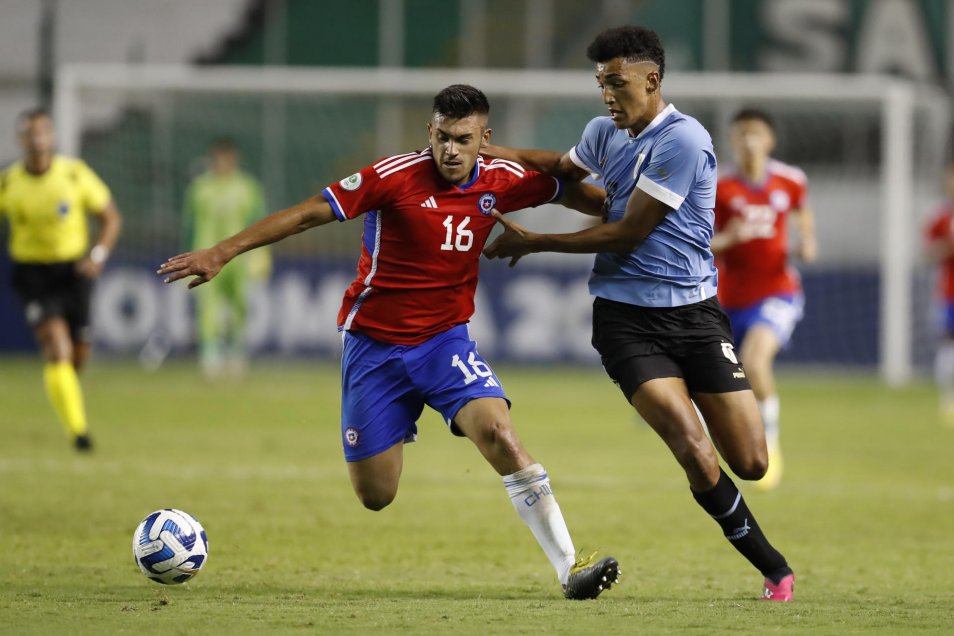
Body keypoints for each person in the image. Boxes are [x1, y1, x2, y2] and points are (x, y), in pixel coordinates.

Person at [159, 84, 620, 599]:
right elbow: (310, 211)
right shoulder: (392, 176)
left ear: (484, 139)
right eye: (442, 136)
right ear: (429, 131)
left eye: (463, 139)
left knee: (500, 434)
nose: (450, 150)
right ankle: (399, 417)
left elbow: (570, 191)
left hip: (445, 343)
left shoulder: (502, 179)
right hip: (373, 346)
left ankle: (569, 567)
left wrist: (625, 212)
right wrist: (224, 250)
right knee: (376, 495)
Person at [482, 26, 795, 601]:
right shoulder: (605, 132)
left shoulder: (684, 140)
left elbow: (628, 233)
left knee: (750, 461)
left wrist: (535, 241)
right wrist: (489, 154)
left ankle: (766, 549)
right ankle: (774, 568)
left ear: (651, 80)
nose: (606, 94)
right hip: (626, 321)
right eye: (600, 82)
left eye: (616, 82)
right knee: (692, 447)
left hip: (696, 316)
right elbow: (558, 167)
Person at [0, 108, 122, 451]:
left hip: (74, 272)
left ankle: (67, 397)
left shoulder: (74, 174)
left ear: (51, 136)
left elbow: (111, 218)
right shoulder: (9, 182)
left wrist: (97, 255)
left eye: (43, 131)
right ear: (21, 139)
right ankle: (79, 432)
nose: (37, 137)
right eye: (30, 132)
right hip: (33, 275)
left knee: (77, 356)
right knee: (57, 347)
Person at [709, 108, 817, 490]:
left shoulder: (790, 181)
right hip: (729, 298)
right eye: (741, 134)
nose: (749, 141)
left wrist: (806, 240)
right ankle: (728, 448)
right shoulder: (720, 187)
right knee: (721, 382)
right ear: (733, 141)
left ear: (769, 140)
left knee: (755, 362)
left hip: (777, 292)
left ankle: (770, 442)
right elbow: (705, 242)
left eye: (756, 133)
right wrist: (730, 239)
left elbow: (803, 213)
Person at [183, 138, 269, 378]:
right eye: (218, 157)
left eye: (227, 157)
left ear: (234, 159)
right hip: (206, 255)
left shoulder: (248, 187)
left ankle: (236, 354)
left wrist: (261, 255)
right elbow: (189, 226)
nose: (223, 162)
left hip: (240, 258)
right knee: (208, 308)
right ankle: (210, 357)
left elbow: (260, 222)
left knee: (240, 305)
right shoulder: (199, 188)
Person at [924, 160, 954, 426]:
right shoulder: (940, 216)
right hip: (950, 293)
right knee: (948, 345)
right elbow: (927, 255)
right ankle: (949, 401)